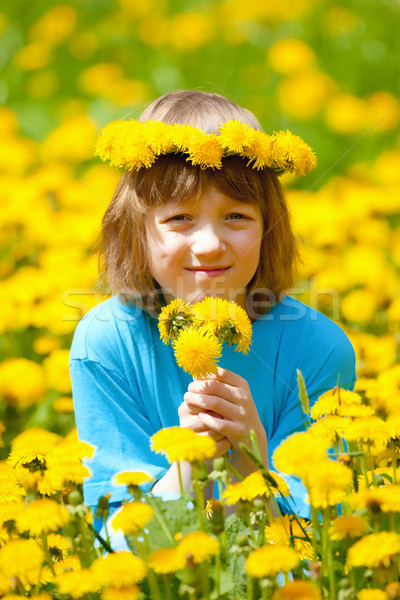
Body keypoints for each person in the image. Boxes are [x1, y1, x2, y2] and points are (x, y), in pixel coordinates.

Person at [69, 90, 356, 524]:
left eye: (236, 216)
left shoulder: (320, 349)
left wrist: (249, 457)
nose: (209, 245)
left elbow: (323, 548)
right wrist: (190, 461)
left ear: (269, 227)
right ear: (136, 232)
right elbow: (114, 541)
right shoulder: (106, 343)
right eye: (179, 218)